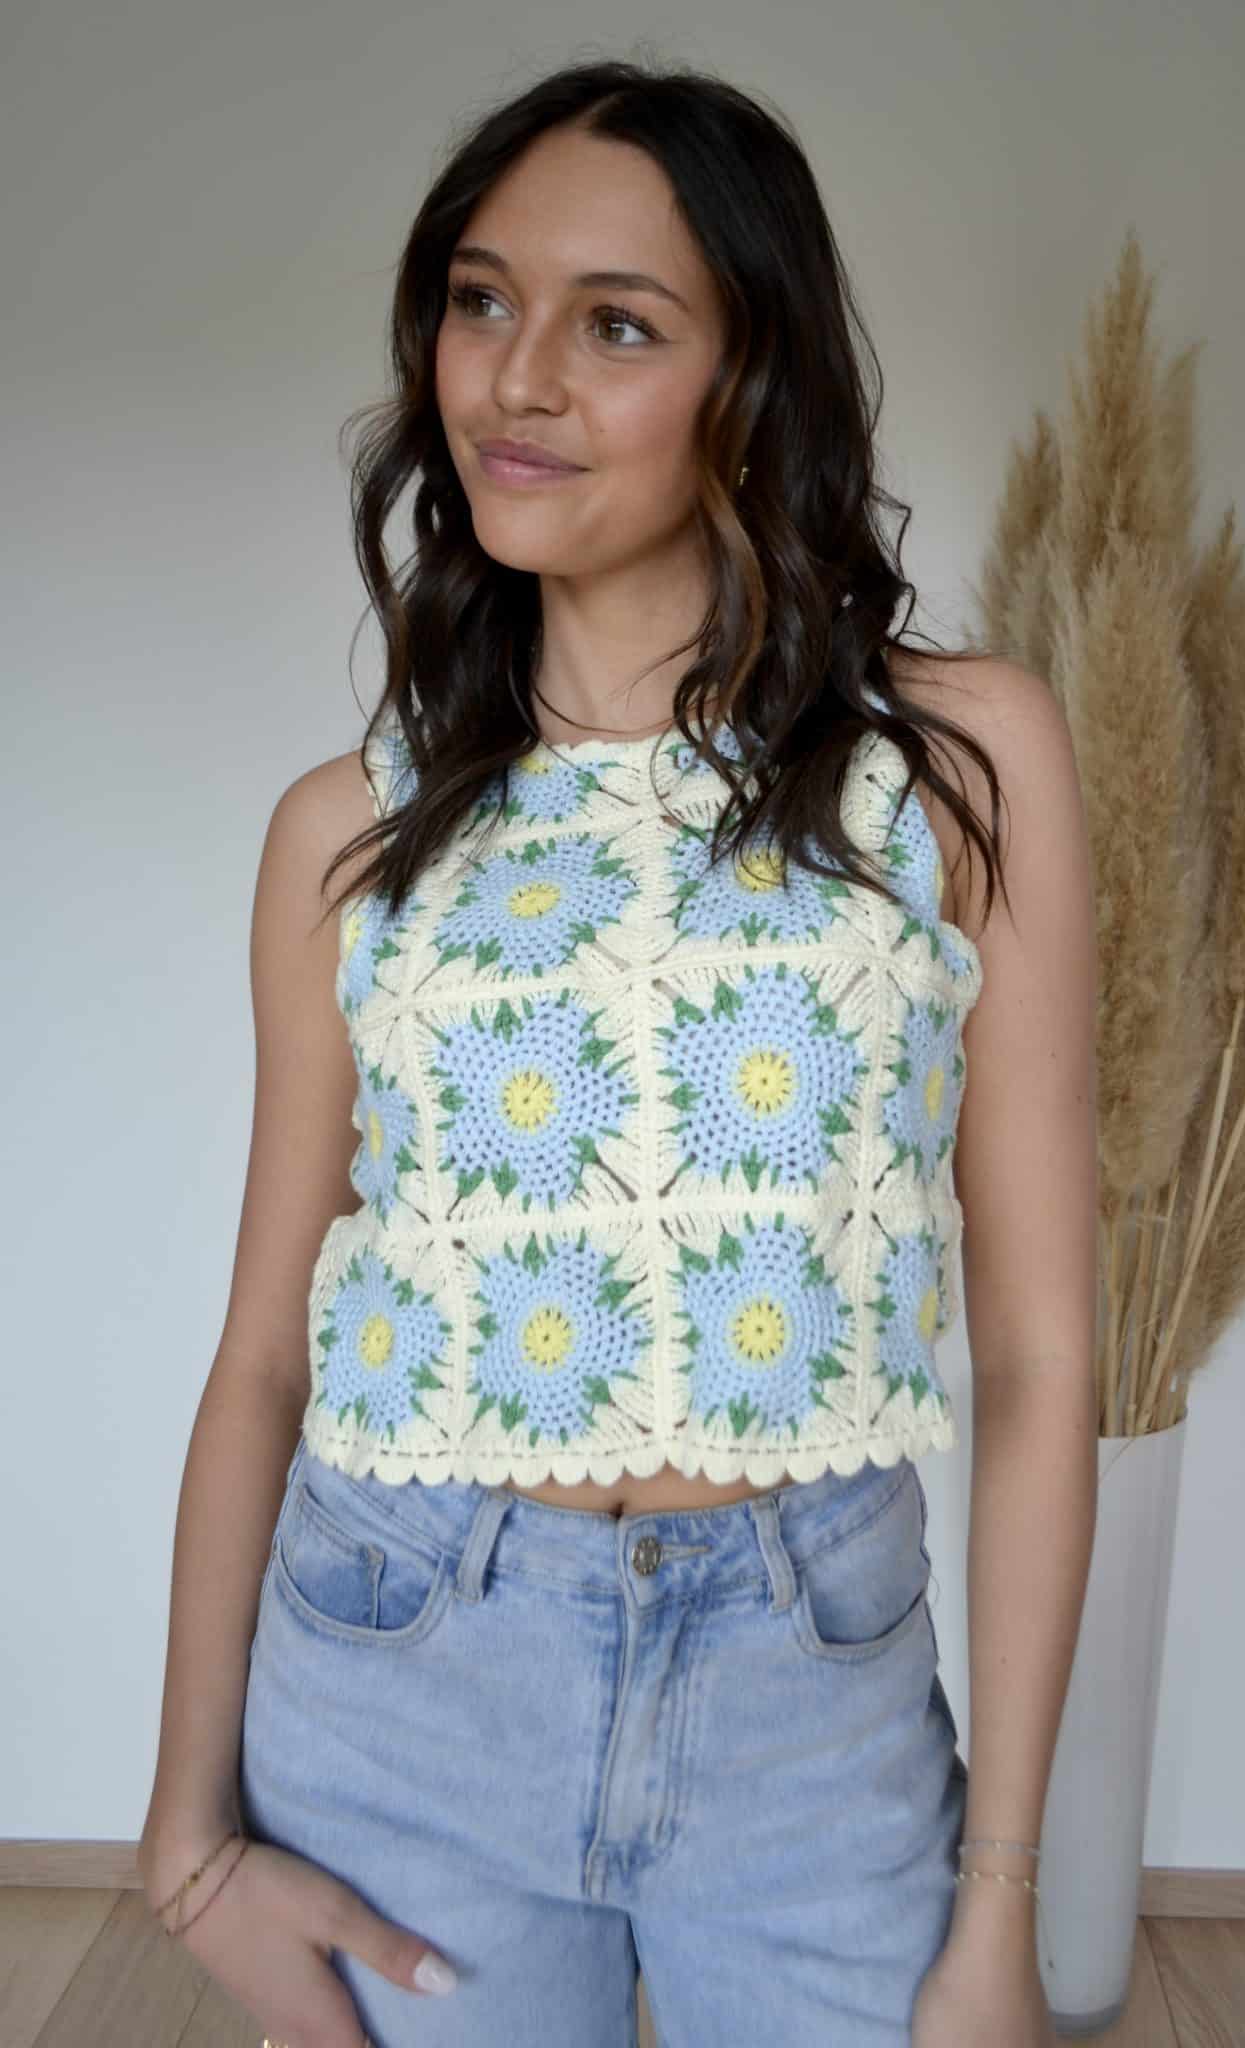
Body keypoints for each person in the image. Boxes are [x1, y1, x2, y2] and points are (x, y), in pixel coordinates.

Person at [137, 56, 1096, 2048]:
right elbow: (266, 1357)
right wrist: (184, 1844)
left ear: (757, 380)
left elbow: (1036, 1353)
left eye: (619, 325)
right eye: (481, 302)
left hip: (811, 1701)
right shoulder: (349, 833)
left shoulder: (959, 763)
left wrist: (1003, 1894)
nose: (515, 379)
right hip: (404, 1672)